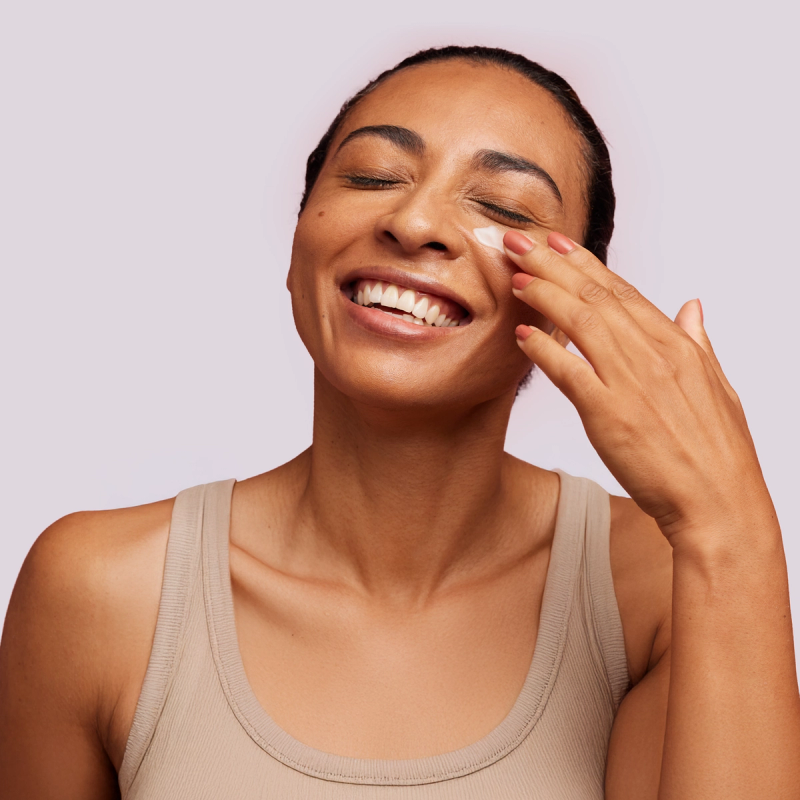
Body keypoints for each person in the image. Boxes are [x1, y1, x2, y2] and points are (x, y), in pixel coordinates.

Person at [1, 45, 798, 800]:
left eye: (502, 205)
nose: (415, 222)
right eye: (374, 175)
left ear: (572, 305)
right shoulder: (98, 591)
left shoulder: (656, 591)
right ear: (298, 239)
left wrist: (729, 521)